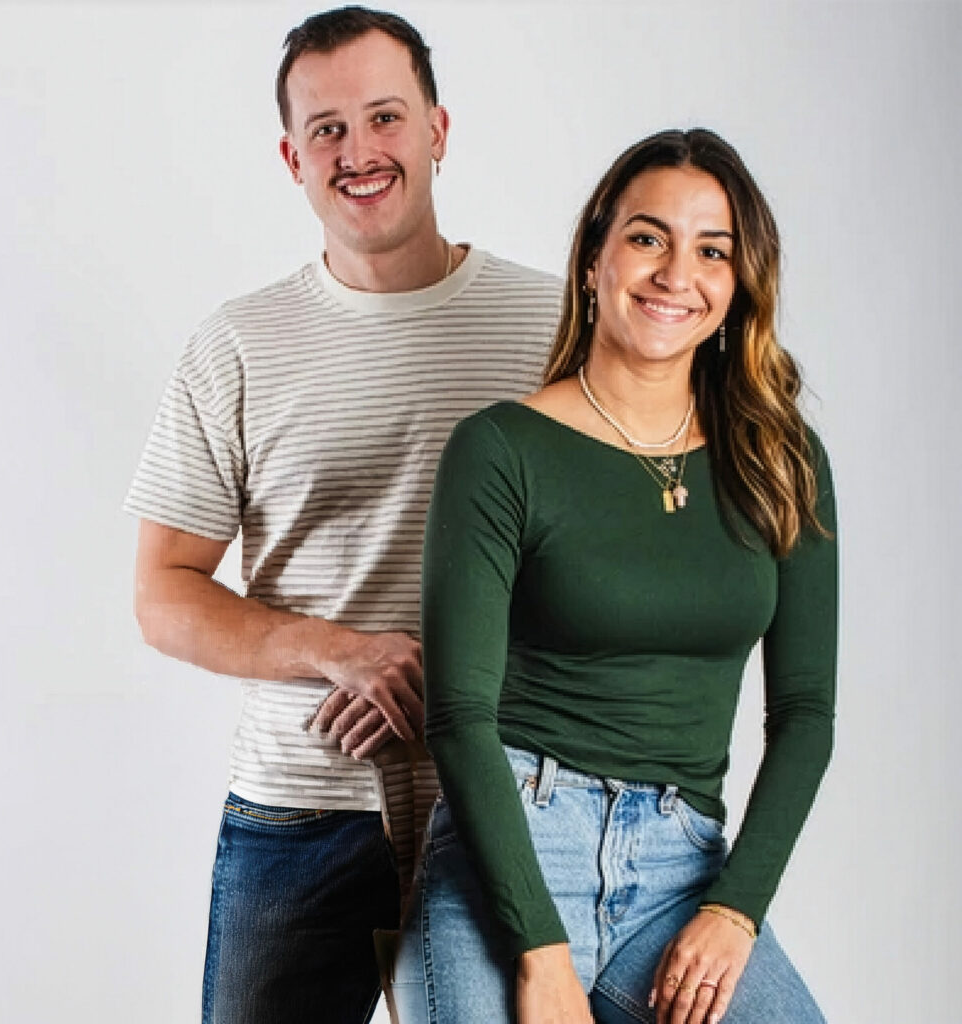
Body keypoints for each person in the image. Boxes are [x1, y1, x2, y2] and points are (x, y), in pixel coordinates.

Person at [123, 7, 561, 1023]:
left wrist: (456, 673)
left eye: (385, 117)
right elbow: (163, 595)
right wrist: (341, 653)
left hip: (509, 799)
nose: (358, 151)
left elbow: (615, 562)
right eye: (327, 129)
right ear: (292, 158)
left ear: (438, 130)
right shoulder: (238, 344)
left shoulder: (551, 327)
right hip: (302, 805)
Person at [392, 128, 837, 1024]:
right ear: (595, 257)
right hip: (512, 851)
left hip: (683, 868)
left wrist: (736, 910)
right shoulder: (500, 449)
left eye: (712, 251)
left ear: (738, 284)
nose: (677, 274)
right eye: (647, 237)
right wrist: (539, 947)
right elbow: (459, 717)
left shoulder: (782, 463)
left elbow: (805, 715)